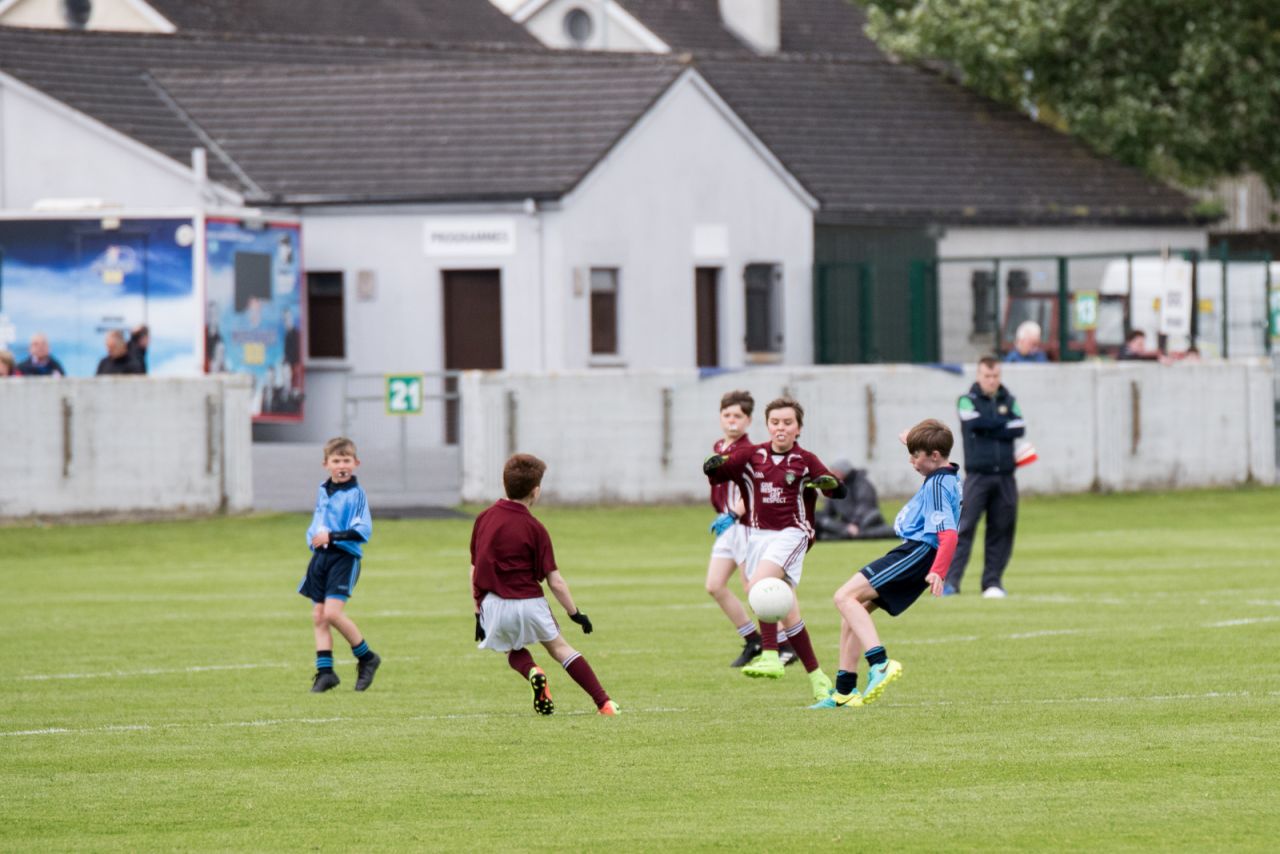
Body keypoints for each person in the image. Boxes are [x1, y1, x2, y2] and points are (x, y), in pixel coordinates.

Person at [703, 396, 844, 704]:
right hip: (757, 537)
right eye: (776, 423)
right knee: (785, 610)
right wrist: (713, 467)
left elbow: (836, 490)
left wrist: (826, 484)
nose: (781, 428)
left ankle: (769, 653)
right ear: (767, 426)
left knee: (762, 587)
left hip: (794, 533)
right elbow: (720, 473)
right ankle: (818, 679)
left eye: (788, 423)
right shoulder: (753, 455)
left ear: (798, 428)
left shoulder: (805, 459)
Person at [813, 419, 961, 709]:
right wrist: (912, 439)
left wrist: (938, 571)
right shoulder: (948, 473)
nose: (911, 461)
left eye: (915, 455)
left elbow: (949, 534)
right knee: (855, 611)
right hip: (917, 552)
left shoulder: (936, 485)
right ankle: (844, 692)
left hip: (918, 553)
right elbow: (930, 451)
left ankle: (879, 662)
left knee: (843, 597)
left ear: (933, 455)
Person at [472, 453, 619, 716]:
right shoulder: (535, 528)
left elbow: (475, 570)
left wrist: (477, 613)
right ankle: (604, 703)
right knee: (560, 649)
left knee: (512, 648)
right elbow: (556, 581)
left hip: (494, 603)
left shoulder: (483, 518)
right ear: (536, 491)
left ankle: (532, 671)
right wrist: (576, 613)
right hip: (530, 603)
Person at [298, 437, 380, 693]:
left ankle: (367, 657)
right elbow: (317, 522)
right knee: (318, 616)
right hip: (321, 558)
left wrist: (332, 537)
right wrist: (313, 538)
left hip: (344, 558)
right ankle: (326, 672)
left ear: (356, 463)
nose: (341, 465)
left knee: (332, 613)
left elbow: (362, 530)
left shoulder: (356, 494)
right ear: (326, 464)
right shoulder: (323, 490)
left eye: (346, 460)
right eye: (336, 461)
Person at [949, 357, 1025, 598]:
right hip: (977, 476)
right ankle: (951, 582)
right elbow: (974, 424)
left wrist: (991, 426)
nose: (991, 381)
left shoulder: (1009, 399)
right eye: (987, 376)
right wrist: (1002, 426)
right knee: (965, 528)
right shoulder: (966, 400)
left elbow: (1019, 427)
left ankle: (992, 582)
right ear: (978, 376)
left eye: (995, 376)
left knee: (1002, 528)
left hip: (1005, 476)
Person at [814, 459, 896, 541]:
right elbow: (828, 513)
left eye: (835, 472)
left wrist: (855, 523)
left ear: (844, 472)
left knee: (872, 517)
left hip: (866, 521)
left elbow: (865, 506)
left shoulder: (862, 484)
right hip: (847, 525)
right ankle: (846, 533)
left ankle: (851, 534)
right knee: (820, 519)